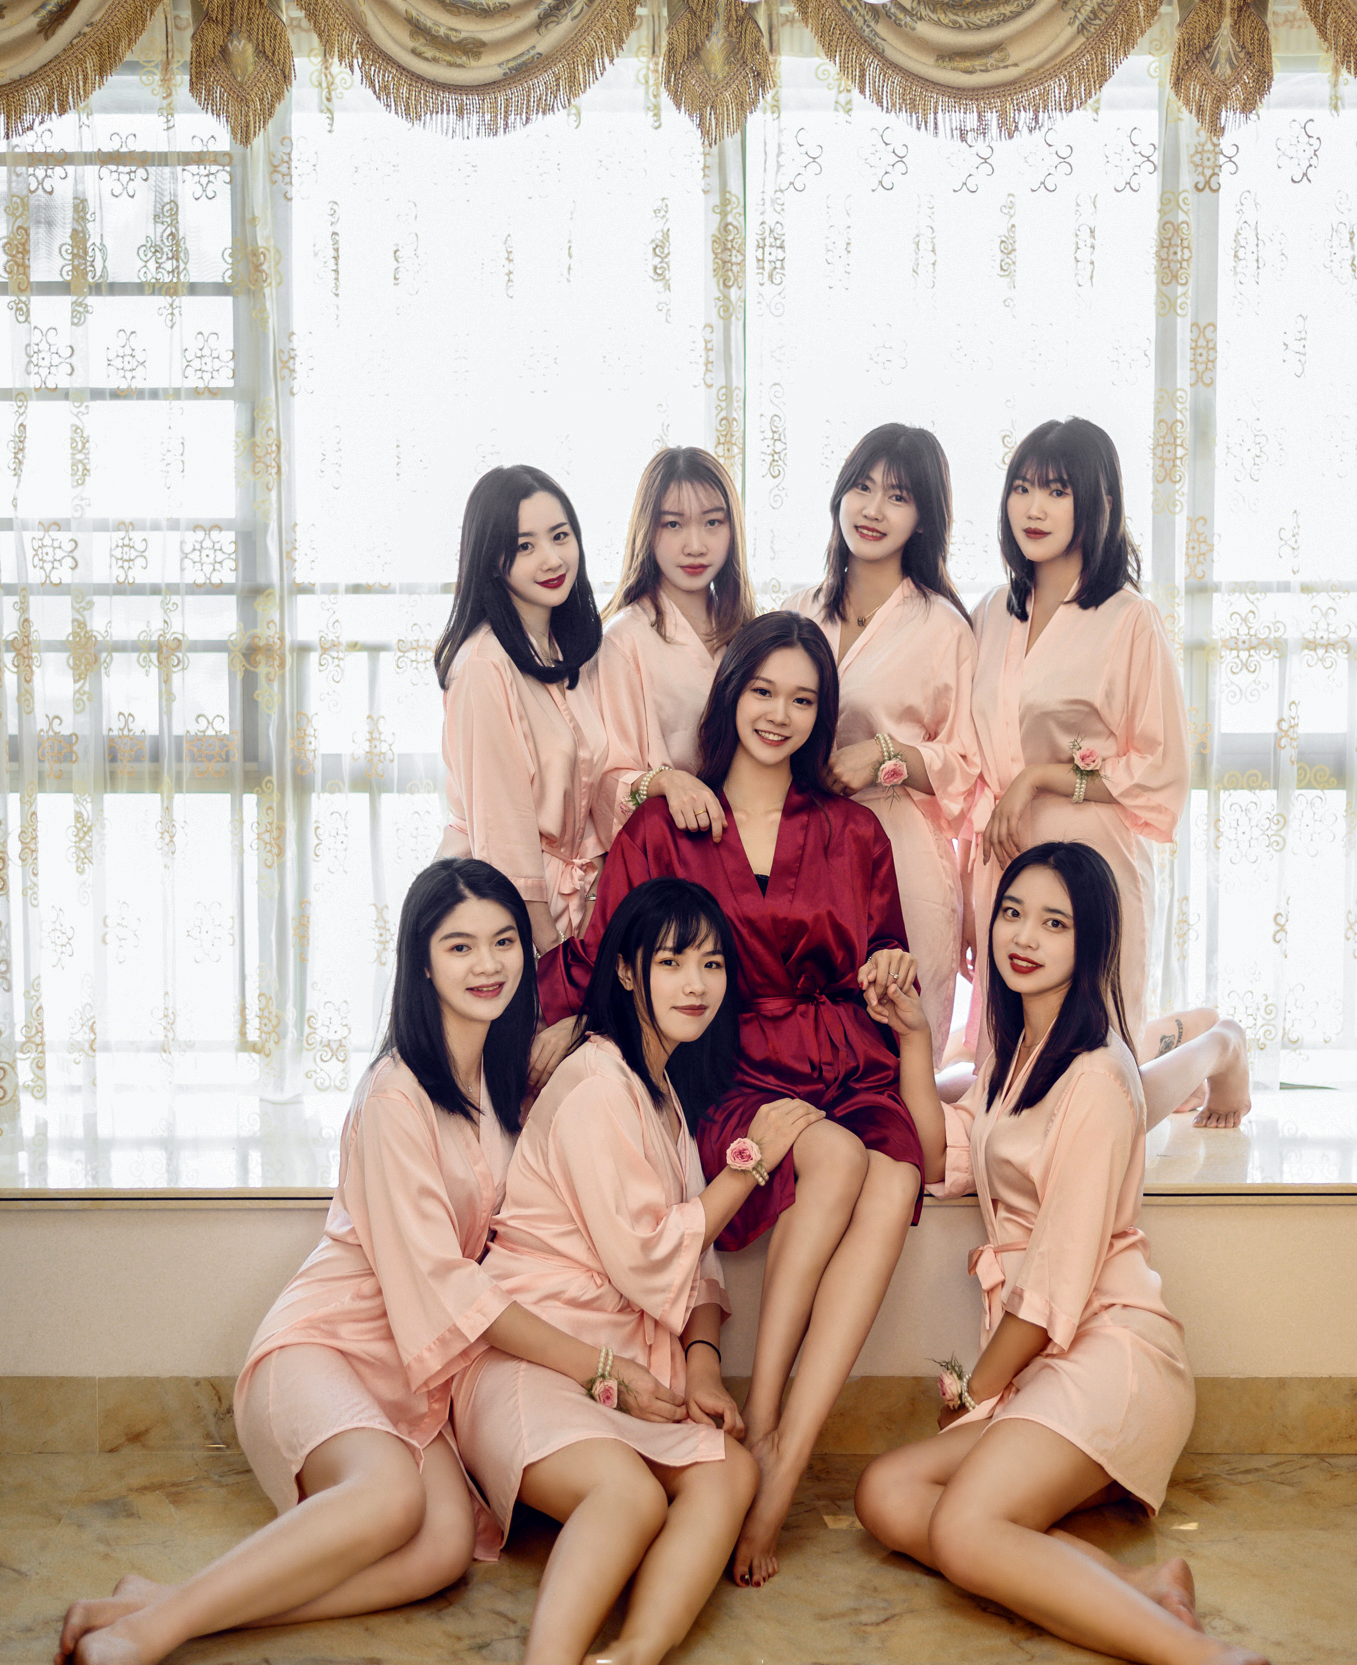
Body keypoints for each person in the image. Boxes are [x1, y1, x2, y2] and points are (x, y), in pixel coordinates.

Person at [55, 859, 680, 1665]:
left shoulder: (501, 1079)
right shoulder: (394, 1094)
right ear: (421, 963)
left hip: (417, 1372)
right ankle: (149, 1632)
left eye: (503, 942)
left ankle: (162, 1602)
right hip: (327, 1346)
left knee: (441, 1550)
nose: (487, 964)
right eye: (459, 947)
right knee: (387, 1500)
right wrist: (599, 1368)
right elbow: (448, 1285)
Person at [539, 611, 946, 1587]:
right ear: (730, 697)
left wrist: (892, 974)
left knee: (894, 1177)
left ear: (822, 714)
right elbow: (605, 950)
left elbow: (882, 951)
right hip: (728, 1066)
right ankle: (762, 1420)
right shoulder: (665, 822)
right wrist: (521, 1022)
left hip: (845, 1054)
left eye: (803, 699)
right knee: (833, 1158)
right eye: (763, 691)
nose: (780, 714)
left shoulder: (853, 830)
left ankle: (778, 1454)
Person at [855, 842, 1268, 1665]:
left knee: (964, 1530)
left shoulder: (1100, 1077)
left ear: (1091, 943)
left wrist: (975, 1390)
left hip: (1109, 1353)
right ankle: (1143, 1586)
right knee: (886, 1493)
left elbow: (1055, 1284)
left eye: (1054, 923)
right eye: (1012, 913)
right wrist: (914, 1040)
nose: (1024, 937)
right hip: (1046, 1360)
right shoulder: (1014, 1056)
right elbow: (938, 1157)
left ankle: (1200, 1657)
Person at [452, 877, 820, 1665]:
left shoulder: (657, 1093)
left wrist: (703, 1364)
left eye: (712, 964)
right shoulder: (596, 1085)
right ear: (626, 970)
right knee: (628, 1495)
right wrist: (750, 1164)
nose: (696, 984)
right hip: (534, 1357)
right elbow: (651, 1253)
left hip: (625, 1365)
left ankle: (633, 1653)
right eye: (672, 962)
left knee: (728, 1474)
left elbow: (698, 1263)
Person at [964, 418, 1250, 1126]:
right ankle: (1180, 1032)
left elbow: (1159, 767)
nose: (1034, 508)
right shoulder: (989, 613)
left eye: (1057, 491)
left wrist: (1040, 778)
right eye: (1022, 488)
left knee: (1096, 1102)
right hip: (1005, 862)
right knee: (1002, 1090)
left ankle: (1220, 1045)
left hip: (1091, 862)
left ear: (1096, 502)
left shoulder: (1129, 620)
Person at [785, 424, 980, 1056]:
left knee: (897, 1049)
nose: (873, 509)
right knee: (805, 1042)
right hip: (800, 849)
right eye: (862, 488)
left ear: (923, 519)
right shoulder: (797, 611)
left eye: (897, 497)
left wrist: (884, 756)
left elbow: (965, 765)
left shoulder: (943, 627)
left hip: (900, 858)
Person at [434, 465, 608, 953]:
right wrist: (550, 951)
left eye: (560, 536)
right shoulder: (483, 666)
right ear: (492, 560)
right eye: (525, 546)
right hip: (510, 917)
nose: (552, 559)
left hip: (574, 907)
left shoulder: (563, 650)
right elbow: (503, 836)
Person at [594, 444, 755, 841]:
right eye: (673, 524)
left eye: (713, 522)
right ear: (647, 530)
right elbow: (605, 780)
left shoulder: (750, 631)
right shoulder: (624, 640)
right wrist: (666, 781)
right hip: (671, 847)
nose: (695, 545)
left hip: (755, 838)